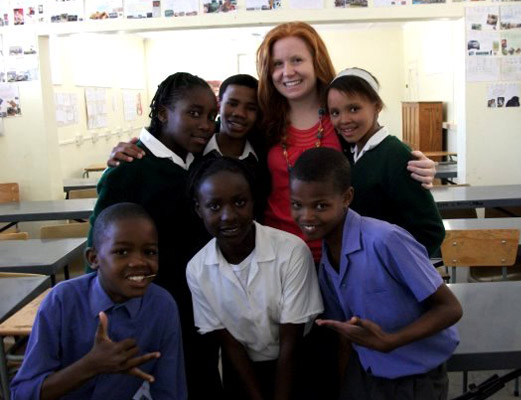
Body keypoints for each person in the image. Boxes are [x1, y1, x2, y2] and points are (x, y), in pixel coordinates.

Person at [88, 72, 222, 398]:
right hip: (148, 307)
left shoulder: (197, 161)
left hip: (196, 305)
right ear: (163, 113)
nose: (206, 124)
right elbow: (99, 246)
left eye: (210, 116)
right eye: (194, 113)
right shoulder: (130, 168)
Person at [289, 148, 463, 400]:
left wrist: (391, 340)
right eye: (297, 205)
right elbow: (344, 336)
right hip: (367, 372)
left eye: (320, 205)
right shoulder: (327, 255)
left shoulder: (386, 240)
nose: (306, 216)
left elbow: (450, 308)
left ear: (347, 197)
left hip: (414, 379)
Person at [256, 21, 438, 261]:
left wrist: (417, 164)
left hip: (340, 255)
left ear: (316, 62)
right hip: (277, 255)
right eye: (278, 64)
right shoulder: (263, 121)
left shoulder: (341, 118)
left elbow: (379, 153)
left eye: (297, 60)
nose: (287, 72)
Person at [11, 203, 186, 400]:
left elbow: (170, 390)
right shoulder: (61, 301)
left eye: (149, 252)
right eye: (122, 252)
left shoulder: (162, 306)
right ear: (94, 258)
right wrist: (90, 366)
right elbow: (22, 393)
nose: (139, 262)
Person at [186, 157, 323, 400]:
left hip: (299, 361)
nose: (228, 216)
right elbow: (230, 345)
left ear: (253, 202)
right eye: (215, 207)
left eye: (239, 202)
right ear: (199, 209)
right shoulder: (197, 269)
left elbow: (290, 343)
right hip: (244, 370)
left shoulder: (291, 251)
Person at [325, 68, 444, 256]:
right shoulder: (350, 153)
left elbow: (430, 231)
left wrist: (390, 267)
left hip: (386, 275)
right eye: (335, 112)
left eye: (354, 109)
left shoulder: (396, 155)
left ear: (377, 106)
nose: (344, 120)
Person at [203, 73, 270, 219]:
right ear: (219, 104)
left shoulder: (264, 157)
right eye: (232, 104)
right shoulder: (196, 147)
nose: (240, 113)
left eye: (251, 108)